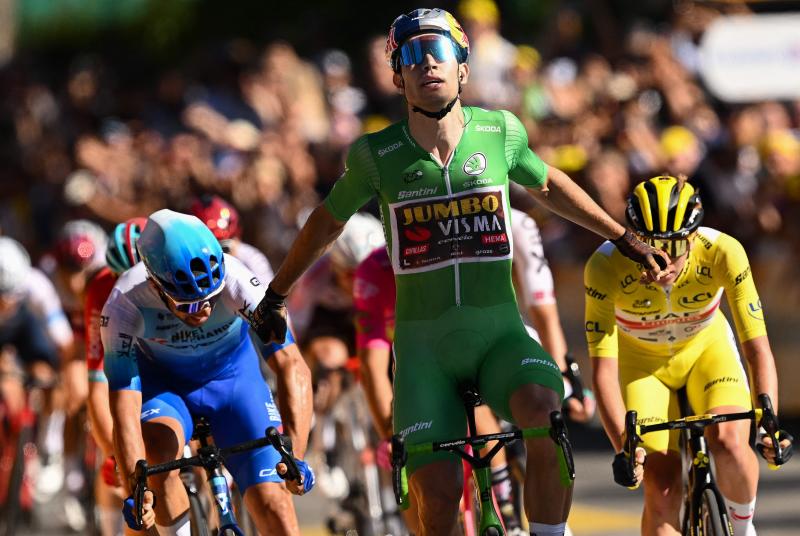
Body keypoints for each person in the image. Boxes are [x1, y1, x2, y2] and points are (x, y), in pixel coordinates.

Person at [251, 8, 669, 535]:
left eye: (438, 51)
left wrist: (621, 234)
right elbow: (325, 224)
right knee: (441, 497)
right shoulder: (376, 155)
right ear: (397, 76)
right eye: (409, 55)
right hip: (426, 353)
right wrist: (275, 295)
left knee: (546, 412)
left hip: (499, 336)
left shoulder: (501, 132)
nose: (426, 62)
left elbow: (548, 185)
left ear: (463, 67)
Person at [585, 175, 794, 536]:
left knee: (729, 444)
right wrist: (625, 446)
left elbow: (757, 348)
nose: (664, 259)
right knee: (661, 489)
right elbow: (604, 369)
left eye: (677, 245)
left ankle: (743, 528)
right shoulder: (604, 266)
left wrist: (767, 422)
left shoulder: (723, 251)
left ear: (694, 235)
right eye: (650, 244)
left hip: (706, 352)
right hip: (643, 368)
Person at [101, 210, 314, 535]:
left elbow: (292, 365)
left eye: (212, 300)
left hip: (234, 382)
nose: (202, 309)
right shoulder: (124, 302)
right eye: (187, 305)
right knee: (156, 460)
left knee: (277, 508)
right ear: (156, 286)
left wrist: (295, 457)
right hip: (165, 390)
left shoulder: (237, 279)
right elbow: (124, 405)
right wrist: (136, 487)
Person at [84, 218, 147, 535]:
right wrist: (112, 452)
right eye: (121, 278)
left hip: (166, 359)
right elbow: (96, 382)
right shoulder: (100, 289)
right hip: (122, 362)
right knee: (119, 467)